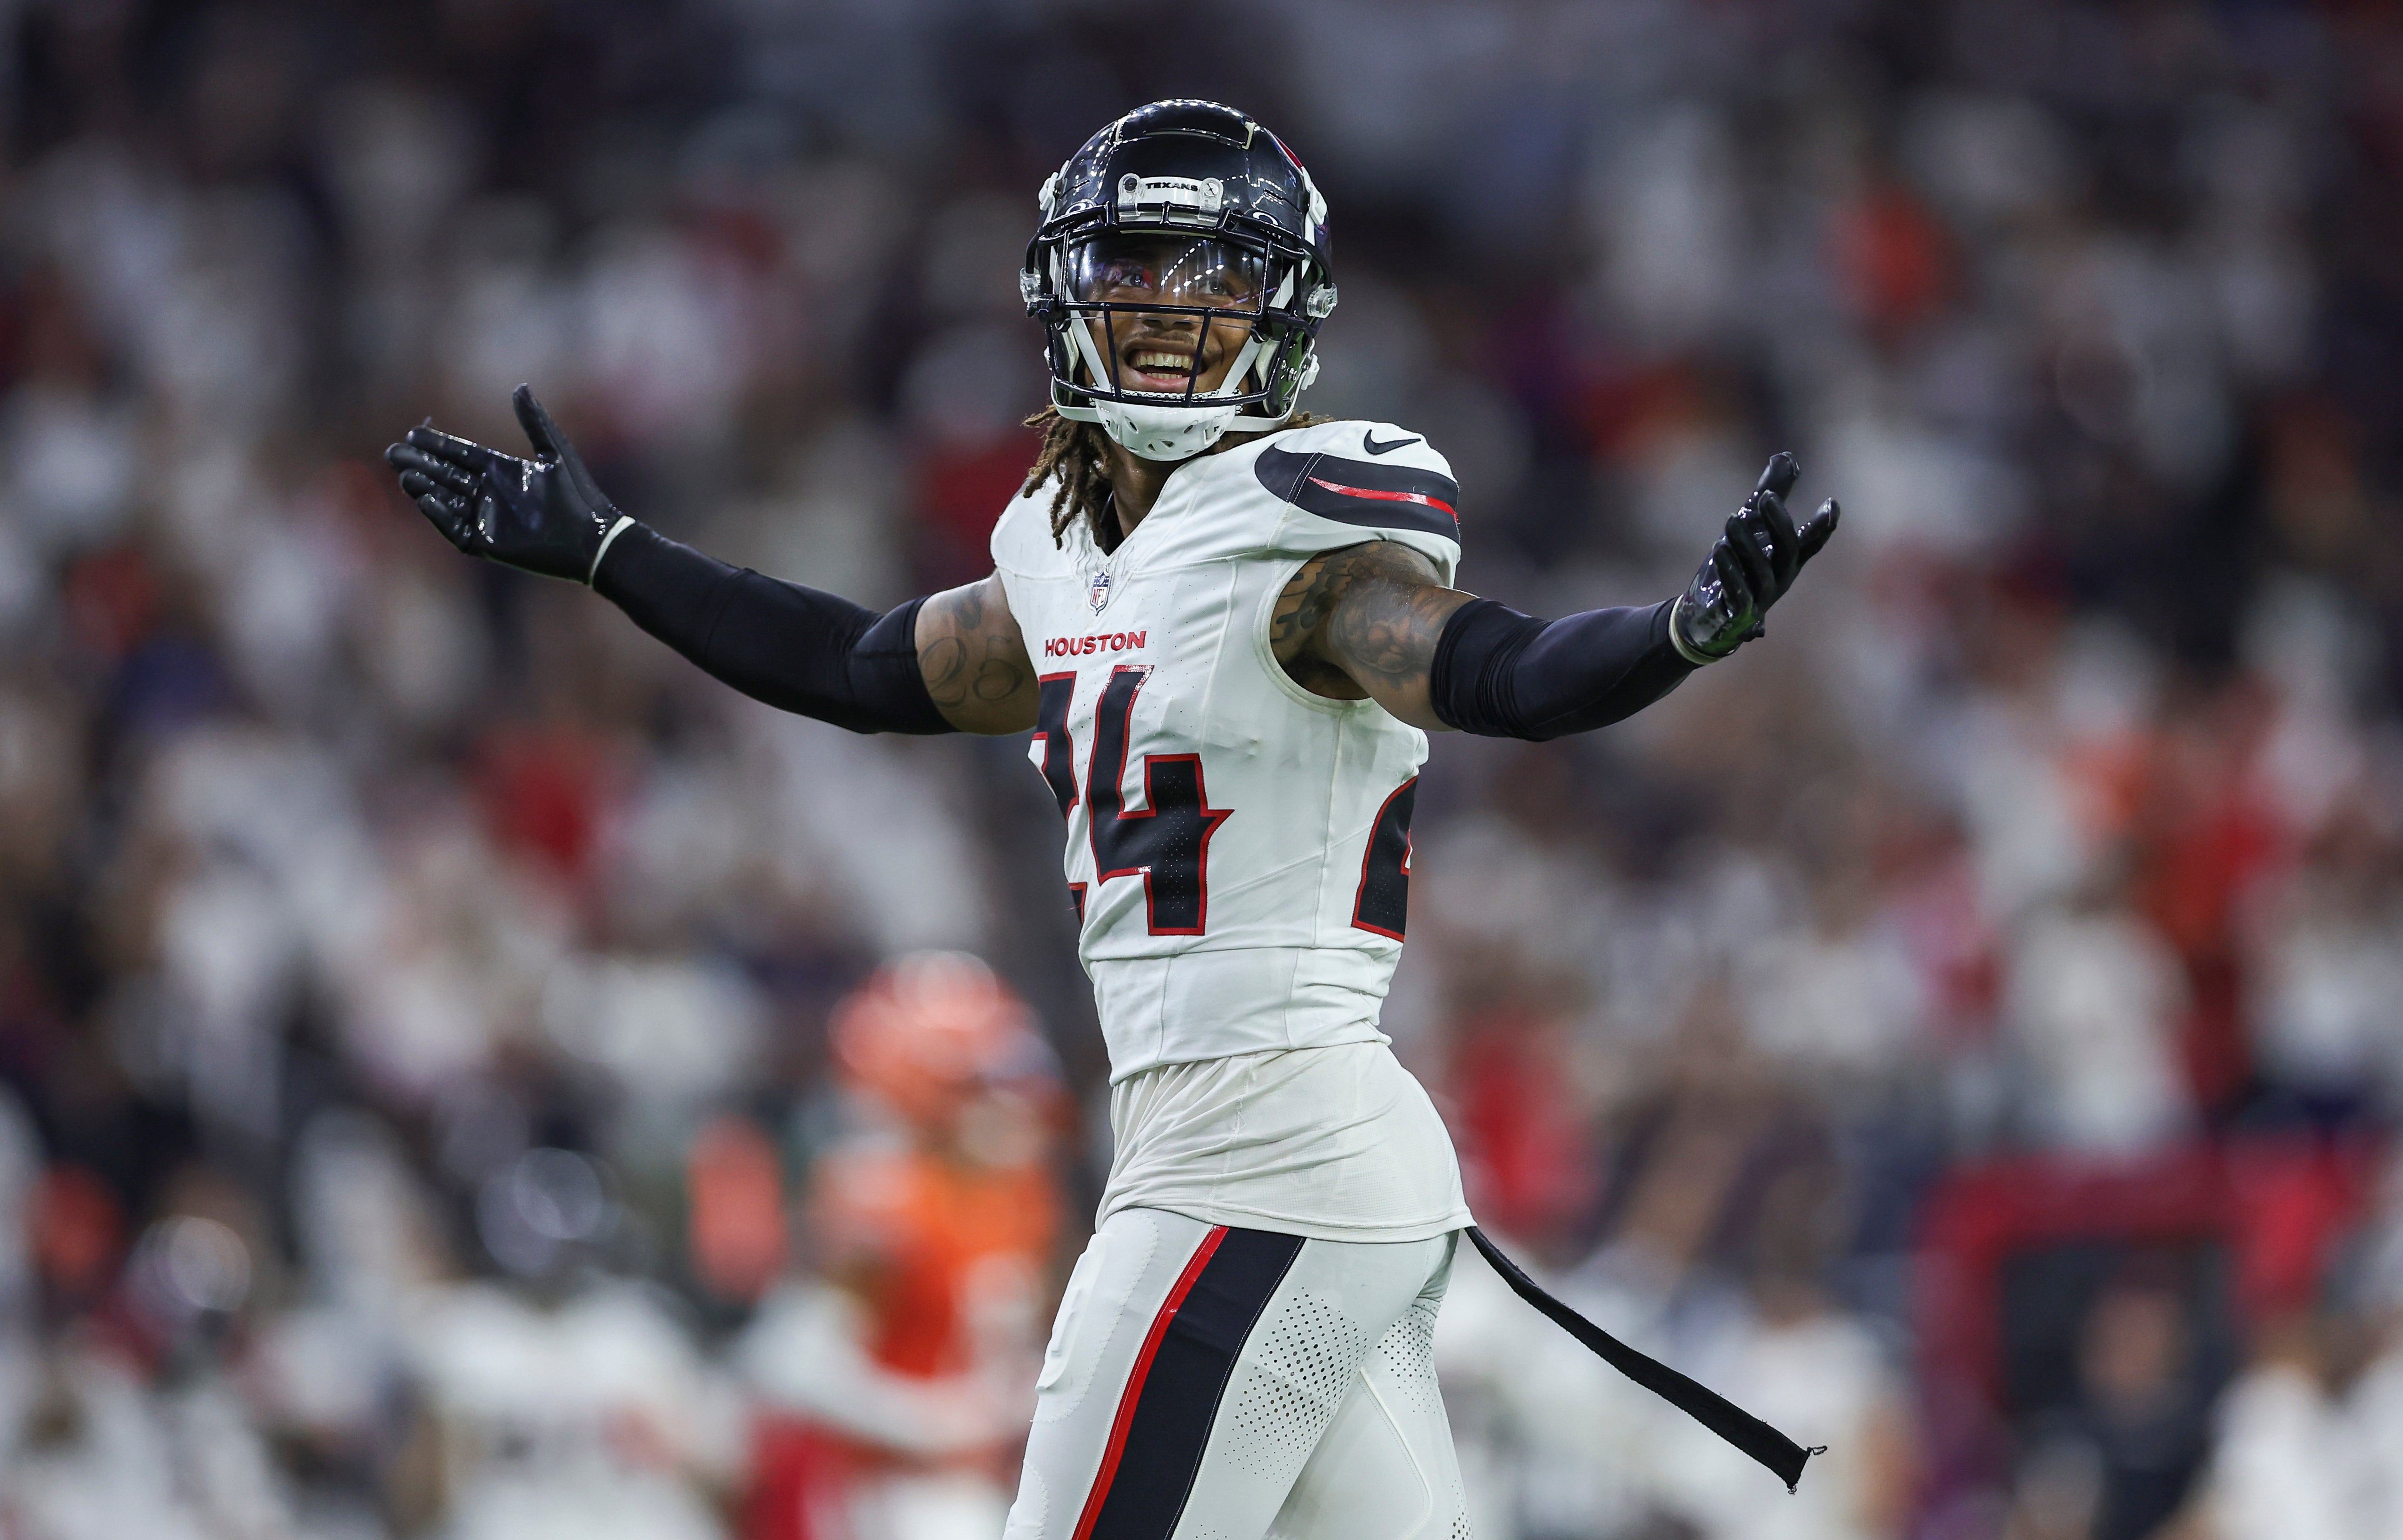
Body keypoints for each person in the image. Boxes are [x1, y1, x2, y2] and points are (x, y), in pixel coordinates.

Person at [387, 99, 1839, 1540]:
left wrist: (1673, 635)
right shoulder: (1068, 549)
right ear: (1064, 289)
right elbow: (850, 664)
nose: (1167, 307)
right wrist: (612, 552)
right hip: (1287, 1159)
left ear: (1283, 311)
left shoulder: (1300, 535)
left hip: (1256, 1149)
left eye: (1212, 275)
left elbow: (1491, 664)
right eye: (1135, 263)